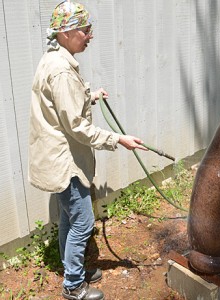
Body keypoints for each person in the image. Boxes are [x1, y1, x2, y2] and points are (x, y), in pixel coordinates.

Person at [28, 1, 147, 299]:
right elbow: (76, 127)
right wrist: (119, 139)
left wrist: (90, 96)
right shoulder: (62, 72)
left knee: (69, 219)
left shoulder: (55, 59)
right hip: (65, 162)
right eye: (86, 29)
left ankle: (74, 270)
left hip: (58, 157)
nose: (90, 35)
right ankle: (73, 285)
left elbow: (62, 106)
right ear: (66, 33)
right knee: (82, 222)